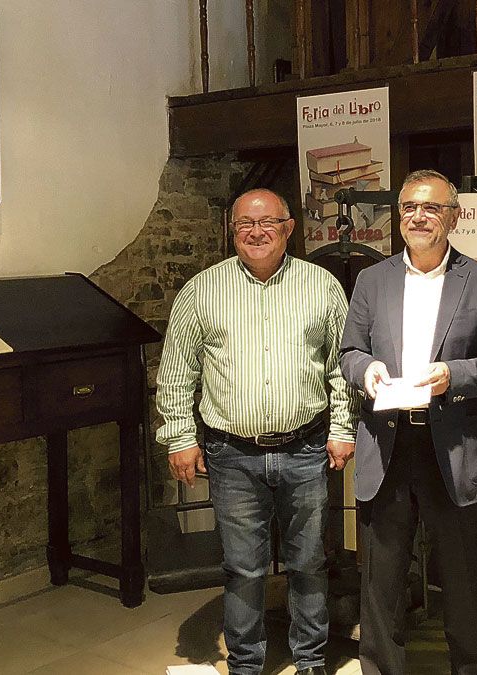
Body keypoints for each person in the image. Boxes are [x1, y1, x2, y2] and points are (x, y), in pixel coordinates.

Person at [155, 188, 360, 675]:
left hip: (307, 448)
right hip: (232, 454)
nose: (256, 231)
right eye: (245, 223)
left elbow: (341, 367)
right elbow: (178, 371)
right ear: (232, 231)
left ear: (289, 228)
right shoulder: (201, 290)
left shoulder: (322, 287)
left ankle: (311, 661)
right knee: (243, 567)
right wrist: (181, 438)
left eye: (268, 222)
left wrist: (342, 426)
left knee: (309, 562)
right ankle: (246, 664)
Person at [340, 169, 477, 675]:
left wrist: (454, 375)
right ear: (399, 217)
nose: (418, 217)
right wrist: (366, 369)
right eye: (409, 208)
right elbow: (349, 350)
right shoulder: (372, 280)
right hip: (389, 445)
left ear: (454, 217)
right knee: (381, 582)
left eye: (431, 208)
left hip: (455, 448)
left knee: (464, 583)